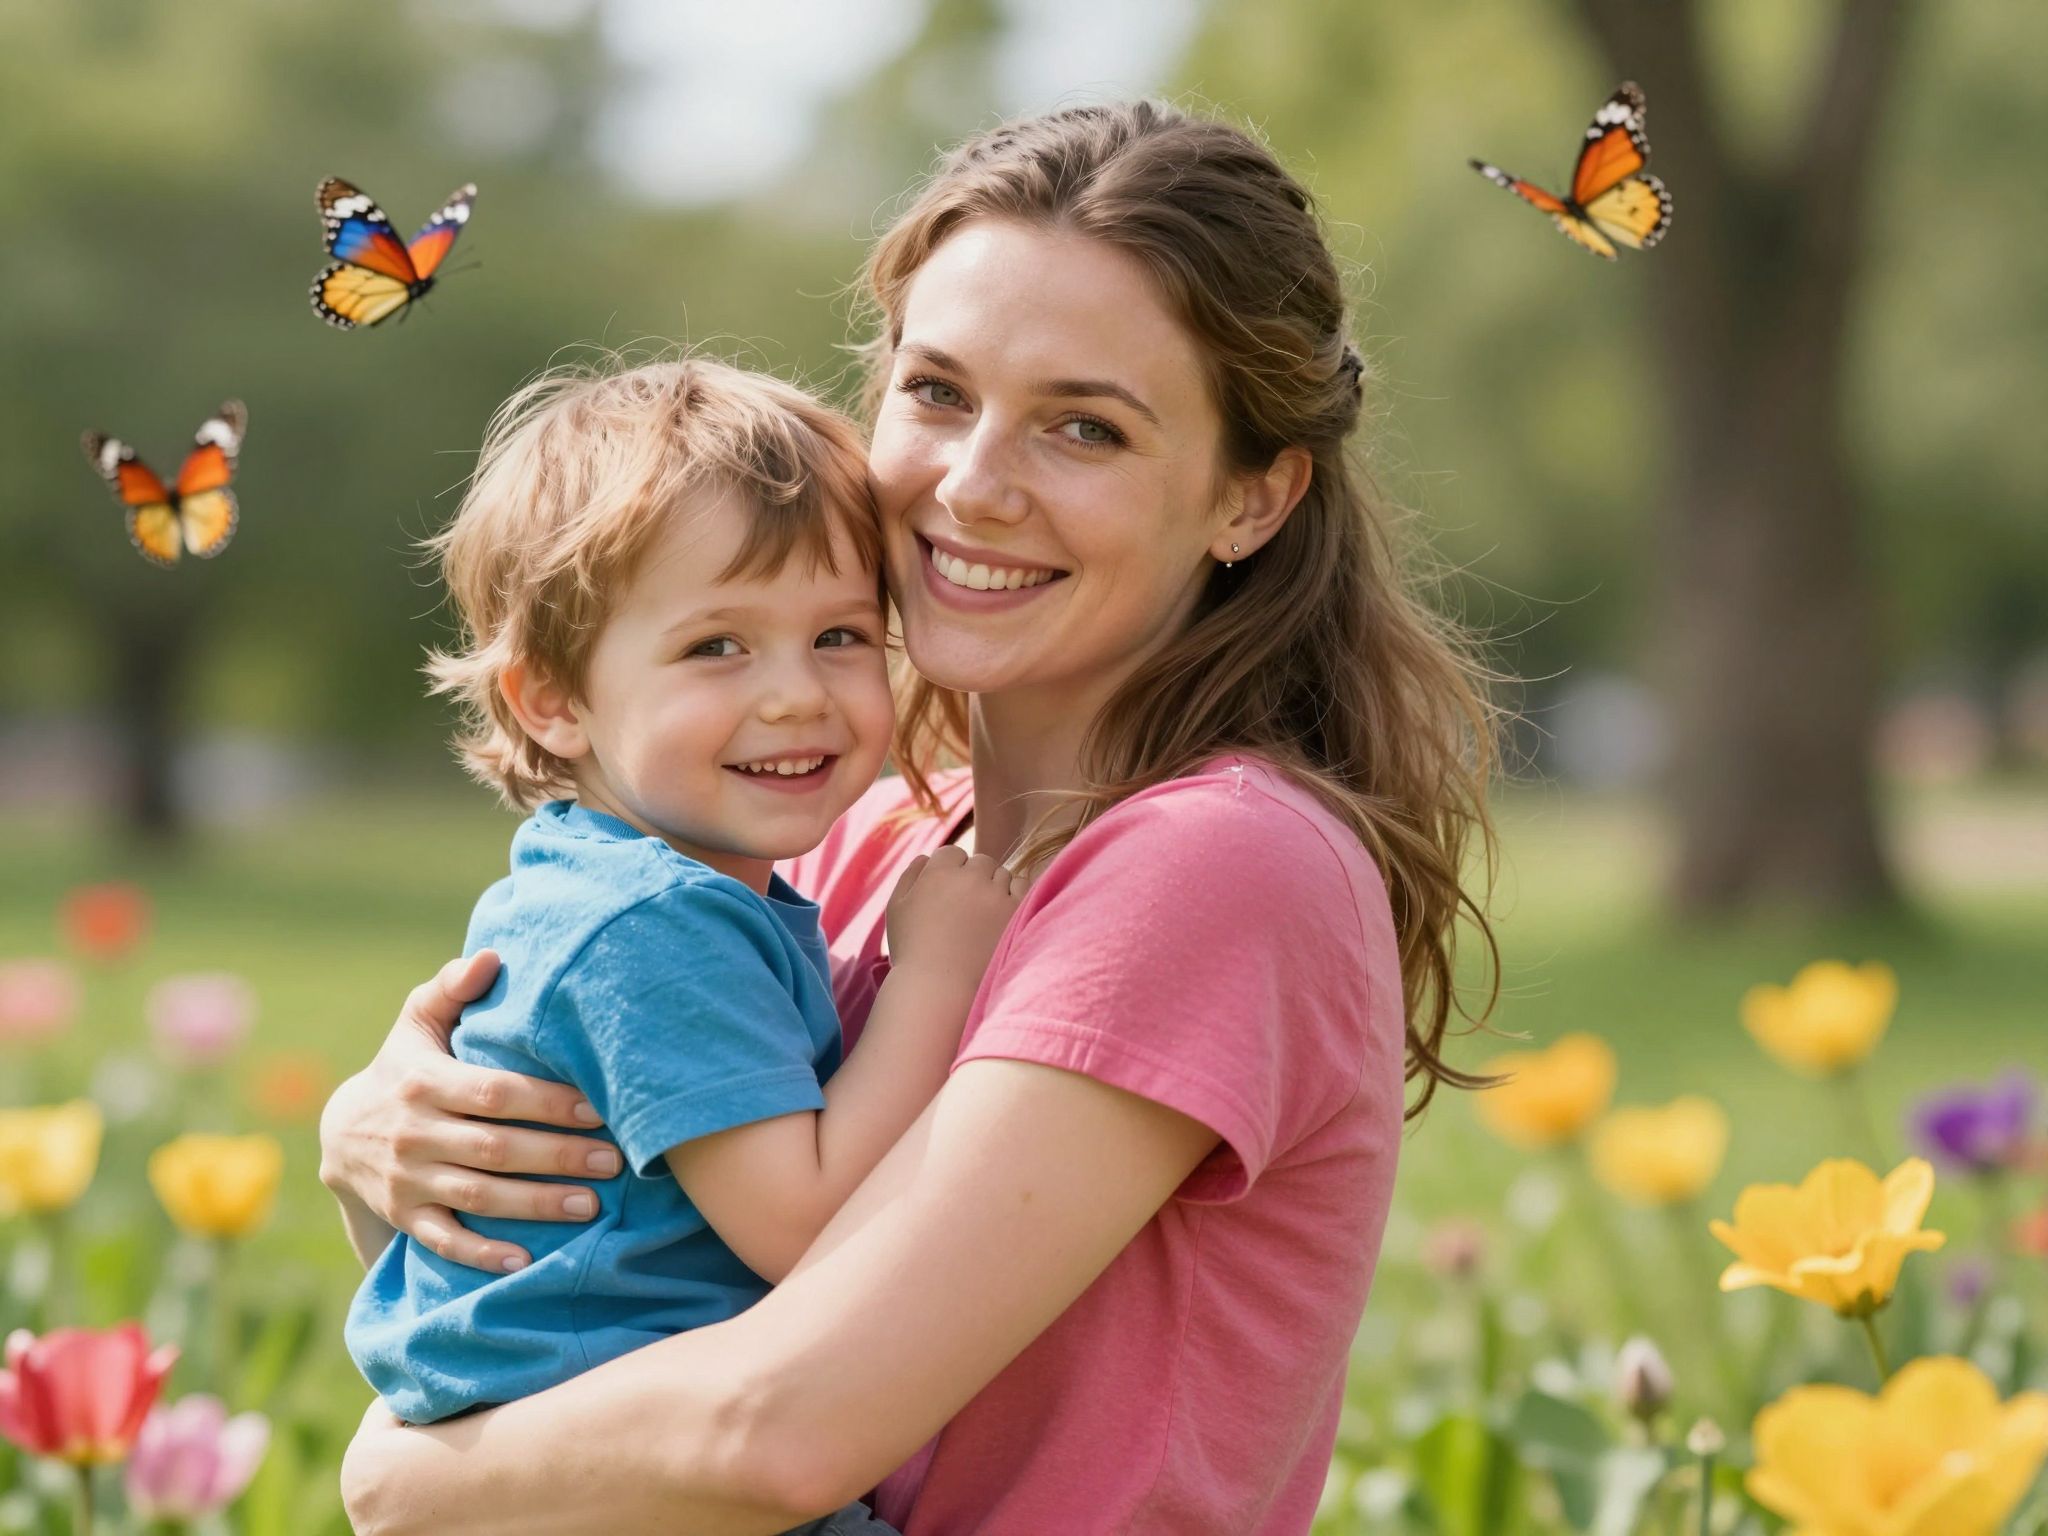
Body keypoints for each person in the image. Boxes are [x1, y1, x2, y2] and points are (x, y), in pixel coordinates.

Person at [324, 100, 1500, 1535]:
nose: (973, 485)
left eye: (1085, 427)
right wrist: (382, 1134)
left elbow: (777, 1434)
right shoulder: (854, 843)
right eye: (938, 393)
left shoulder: (1217, 861)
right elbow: (581, 1288)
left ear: (1250, 499)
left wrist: (400, 1481)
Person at [338, 358, 1020, 1535]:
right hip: (623, 1474)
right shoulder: (653, 922)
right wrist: (941, 976)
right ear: (551, 698)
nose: (795, 694)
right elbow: (801, 1224)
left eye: (841, 635)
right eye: (718, 648)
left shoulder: (614, 881)